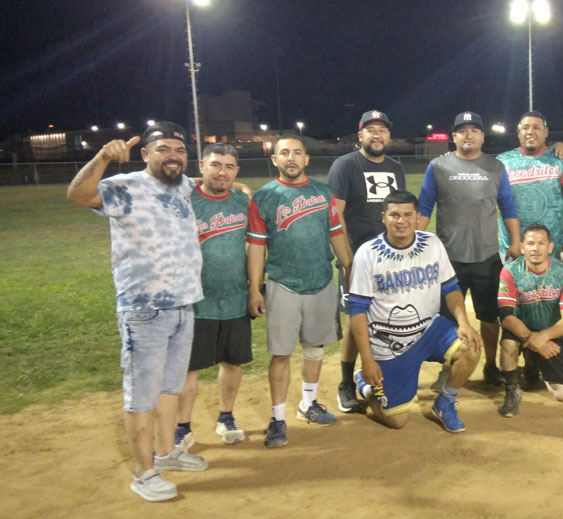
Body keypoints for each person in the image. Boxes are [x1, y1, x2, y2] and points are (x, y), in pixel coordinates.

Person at [67, 122, 207, 501]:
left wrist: (238, 185)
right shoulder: (125, 186)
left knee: (168, 389)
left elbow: (203, 180)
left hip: (183, 303)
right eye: (163, 149)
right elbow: (78, 195)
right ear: (145, 154)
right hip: (143, 309)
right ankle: (143, 473)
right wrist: (102, 157)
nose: (173, 156)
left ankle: (165, 454)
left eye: (178, 149)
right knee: (142, 395)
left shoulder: (183, 186)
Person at [248, 135, 353, 448]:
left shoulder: (322, 192)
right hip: (282, 283)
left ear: (306, 159)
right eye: (284, 153)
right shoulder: (264, 196)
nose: (290, 158)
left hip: (321, 280)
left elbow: (337, 234)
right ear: (275, 159)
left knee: (314, 347)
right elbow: (256, 246)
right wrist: (255, 288)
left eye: (296, 153)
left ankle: (308, 403)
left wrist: (350, 268)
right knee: (281, 353)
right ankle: (277, 418)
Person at [349, 191, 484, 432]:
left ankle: (445, 403)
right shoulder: (367, 254)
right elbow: (358, 309)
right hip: (390, 344)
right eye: (394, 215)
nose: (401, 221)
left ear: (418, 216)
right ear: (383, 217)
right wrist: (368, 360)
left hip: (430, 330)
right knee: (397, 421)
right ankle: (367, 386)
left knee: (471, 346)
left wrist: (463, 323)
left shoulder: (432, 243)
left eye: (408, 215)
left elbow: (451, 287)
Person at [417, 111, 520, 388]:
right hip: (449, 260)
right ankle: (448, 369)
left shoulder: (495, 167)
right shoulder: (438, 167)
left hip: (487, 257)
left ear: (482, 136)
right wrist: (415, 242)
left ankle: (489, 365)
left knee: (489, 319)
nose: (468, 135)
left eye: (474, 130)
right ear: (454, 137)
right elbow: (425, 207)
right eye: (462, 130)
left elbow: (508, 205)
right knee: (449, 321)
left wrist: (516, 240)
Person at [327, 110, 406, 413]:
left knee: (387, 319)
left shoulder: (396, 167)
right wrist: (347, 261)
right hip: (357, 259)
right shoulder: (345, 165)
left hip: (389, 261)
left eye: (382, 130)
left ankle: (380, 375)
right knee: (353, 322)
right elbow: (336, 217)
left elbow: (398, 214)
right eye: (370, 130)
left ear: (388, 136)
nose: (377, 135)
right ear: (359, 135)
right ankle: (346, 382)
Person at [175, 143, 252, 450]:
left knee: (232, 363)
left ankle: (226, 416)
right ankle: (182, 427)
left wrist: (254, 288)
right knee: (188, 367)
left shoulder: (243, 202)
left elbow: (257, 244)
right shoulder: (185, 199)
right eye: (216, 164)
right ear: (202, 166)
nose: (223, 172)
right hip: (194, 299)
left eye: (230, 166)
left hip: (234, 297)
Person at [497, 224, 563, 416]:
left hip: (550, 332)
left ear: (550, 247)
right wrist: (535, 340)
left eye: (541, 243)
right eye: (530, 243)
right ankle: (511, 391)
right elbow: (506, 317)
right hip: (520, 329)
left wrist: (544, 337)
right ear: (523, 247)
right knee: (508, 344)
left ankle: (532, 361)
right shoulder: (509, 272)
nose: (536, 248)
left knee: (562, 394)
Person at [496, 111, 563, 262]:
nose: (530, 132)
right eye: (526, 127)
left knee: (551, 286)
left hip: (551, 249)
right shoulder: (502, 162)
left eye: (536, 127)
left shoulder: (561, 159)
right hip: (513, 248)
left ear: (546, 132)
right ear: (518, 132)